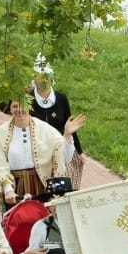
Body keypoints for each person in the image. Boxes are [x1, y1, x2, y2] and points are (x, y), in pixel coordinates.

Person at [0, 98, 76, 212]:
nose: (19, 110)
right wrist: (8, 189)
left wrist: (67, 136)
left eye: (23, 106)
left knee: (42, 223)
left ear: (30, 107)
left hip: (41, 186)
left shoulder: (44, 129)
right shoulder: (2, 131)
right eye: (15, 106)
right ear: (10, 109)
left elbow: (64, 157)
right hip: (16, 188)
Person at [27, 55, 86, 189]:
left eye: (47, 77)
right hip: (39, 152)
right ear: (34, 79)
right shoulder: (28, 99)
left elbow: (70, 125)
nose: (44, 80)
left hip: (62, 147)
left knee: (65, 188)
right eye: (40, 77)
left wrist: (80, 151)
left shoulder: (61, 98)